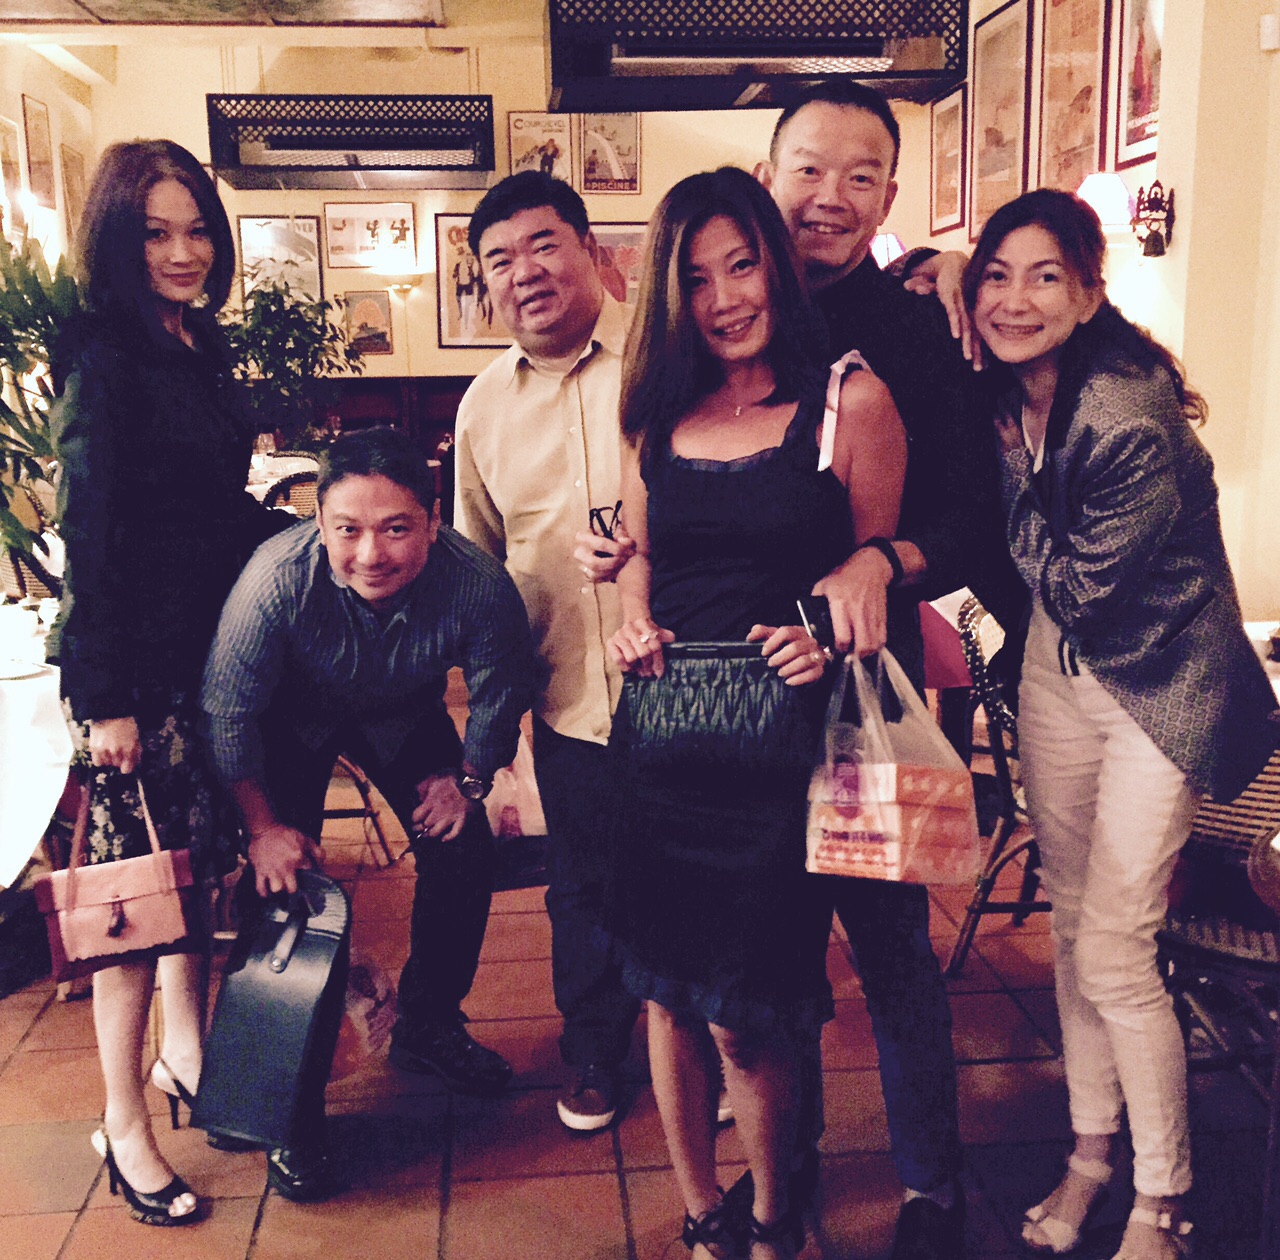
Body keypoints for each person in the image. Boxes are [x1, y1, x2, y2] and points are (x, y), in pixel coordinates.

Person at [963, 188, 1276, 1260]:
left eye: (1045, 276)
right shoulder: (1011, 389)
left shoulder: (1125, 412)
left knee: (1113, 945)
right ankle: (1090, 1153)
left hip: (1158, 690)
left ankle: (1163, 1198)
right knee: (1068, 930)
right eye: (995, 276)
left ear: (1089, 293)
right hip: (1057, 681)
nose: (1016, 299)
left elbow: (1077, 589)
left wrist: (1005, 480)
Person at [607, 166, 907, 1260]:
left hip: (780, 763)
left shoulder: (848, 403)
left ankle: (774, 1219)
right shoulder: (654, 412)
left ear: (775, 267)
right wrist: (628, 616)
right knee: (666, 998)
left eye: (742, 266)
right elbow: (639, 557)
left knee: (746, 1012)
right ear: (670, 295)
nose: (726, 297)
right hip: (660, 746)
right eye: (697, 279)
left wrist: (823, 630)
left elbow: (874, 573)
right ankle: (701, 1214)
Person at [753, 80, 1022, 1259]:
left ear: (890, 195)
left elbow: (970, 521)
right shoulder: (723, 308)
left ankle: (928, 1183)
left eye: (859, 176)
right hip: (746, 694)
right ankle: (788, 1161)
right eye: (808, 169)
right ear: (765, 176)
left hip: (873, 696)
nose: (830, 196)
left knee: (892, 948)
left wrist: (881, 559)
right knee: (770, 951)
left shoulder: (917, 326)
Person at [201, 426, 535, 1199]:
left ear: (434, 520)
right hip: (290, 723)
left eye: (395, 528)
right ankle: (285, 1098)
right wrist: (262, 828)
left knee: (465, 850)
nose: (371, 554)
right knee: (284, 888)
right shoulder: (274, 579)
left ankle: (428, 1024)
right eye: (347, 529)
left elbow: (502, 687)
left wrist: (469, 782)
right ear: (319, 523)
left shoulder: (477, 583)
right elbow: (227, 711)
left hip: (403, 715)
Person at [47, 139, 280, 1226]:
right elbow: (88, 535)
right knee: (133, 912)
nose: (184, 253)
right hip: (135, 678)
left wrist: (303, 533)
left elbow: (210, 514)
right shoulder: (103, 354)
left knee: (192, 881)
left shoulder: (194, 343)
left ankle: (184, 1055)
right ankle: (124, 1125)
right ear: (117, 239)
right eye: (156, 233)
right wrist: (106, 700)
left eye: (196, 231)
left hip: (205, 658)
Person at [453, 171, 643, 1133]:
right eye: (500, 260)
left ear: (591, 252)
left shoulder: (664, 362)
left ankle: (712, 1055)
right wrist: (497, 711)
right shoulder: (481, 408)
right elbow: (478, 568)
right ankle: (597, 1052)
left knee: (698, 880)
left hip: (688, 682)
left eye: (542, 245)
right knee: (582, 886)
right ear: (486, 283)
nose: (523, 271)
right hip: (568, 693)